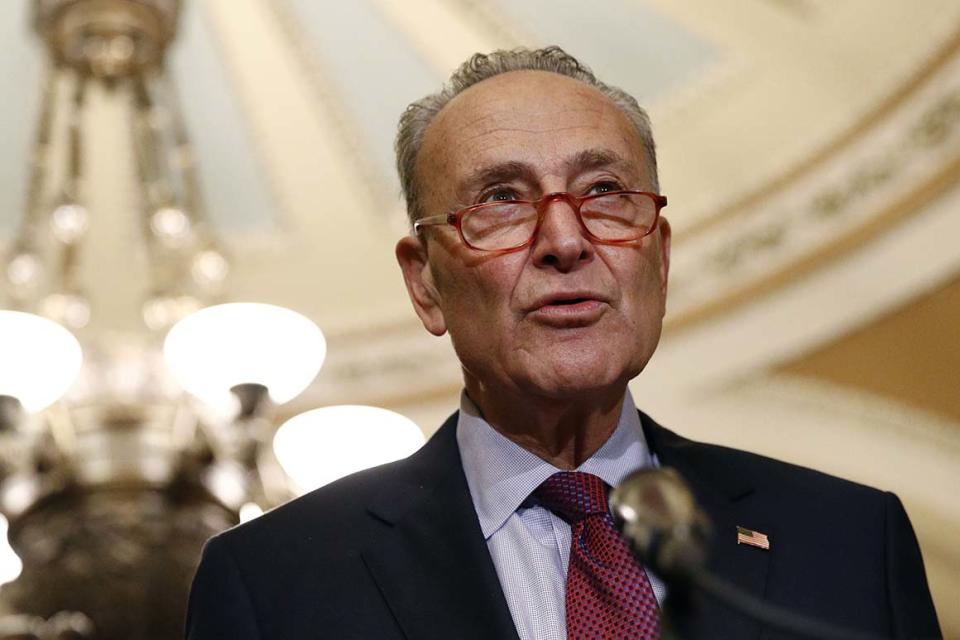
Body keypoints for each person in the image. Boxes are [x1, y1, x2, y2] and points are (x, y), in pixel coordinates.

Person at [185, 47, 941, 640]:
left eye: (605, 194)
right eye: (501, 200)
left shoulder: (847, 541)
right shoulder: (277, 581)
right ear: (425, 284)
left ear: (660, 257)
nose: (564, 240)